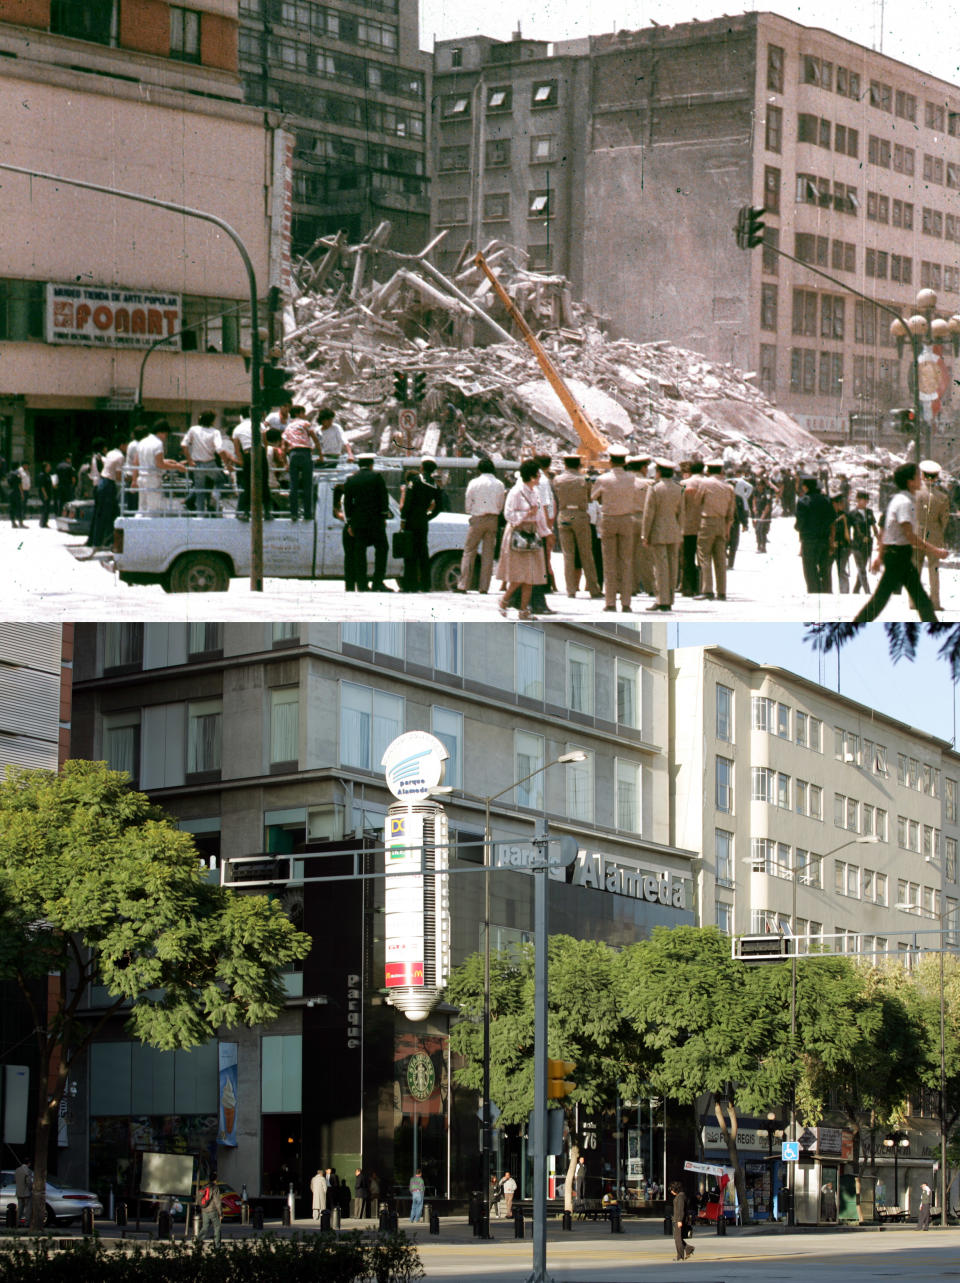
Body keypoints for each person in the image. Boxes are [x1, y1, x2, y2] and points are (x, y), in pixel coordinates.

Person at [853, 462, 946, 624]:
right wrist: (935, 551)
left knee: (920, 599)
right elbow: (909, 535)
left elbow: (884, 531)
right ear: (910, 481)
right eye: (918, 477)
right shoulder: (905, 503)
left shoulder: (901, 499)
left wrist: (880, 556)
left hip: (897, 554)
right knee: (881, 600)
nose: (921, 480)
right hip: (898, 556)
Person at [497, 458, 549, 619]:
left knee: (531, 576)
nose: (540, 478)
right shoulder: (516, 492)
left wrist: (545, 532)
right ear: (532, 476)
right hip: (519, 535)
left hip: (532, 535)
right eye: (538, 475)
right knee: (520, 575)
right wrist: (526, 514)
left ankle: (524, 609)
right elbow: (508, 514)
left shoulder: (535, 492)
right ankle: (504, 600)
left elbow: (539, 515)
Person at [591, 449, 640, 613]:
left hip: (609, 519)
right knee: (626, 561)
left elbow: (592, 496)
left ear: (610, 461)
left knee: (609, 562)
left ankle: (610, 602)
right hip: (627, 519)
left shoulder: (603, 479)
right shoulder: (632, 478)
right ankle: (626, 603)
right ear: (624, 461)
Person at [554, 454, 602, 599]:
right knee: (586, 553)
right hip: (580, 515)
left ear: (565, 464)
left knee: (568, 555)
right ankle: (593, 588)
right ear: (578, 464)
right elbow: (590, 497)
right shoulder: (585, 479)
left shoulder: (558, 479)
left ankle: (571, 589)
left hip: (564, 515)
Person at [342, 454, 393, 592]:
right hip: (375, 522)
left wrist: (350, 523)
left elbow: (347, 504)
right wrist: (383, 517)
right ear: (371, 464)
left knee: (360, 553)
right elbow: (384, 499)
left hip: (358, 522)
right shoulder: (376, 477)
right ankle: (378, 581)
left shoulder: (351, 480)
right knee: (382, 549)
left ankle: (362, 584)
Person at [456, 457, 506, 594]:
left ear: (479, 469)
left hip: (477, 518)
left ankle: (463, 584)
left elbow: (468, 500)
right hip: (493, 519)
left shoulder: (474, 482)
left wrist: (471, 511)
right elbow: (501, 504)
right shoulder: (500, 484)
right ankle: (484, 587)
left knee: (469, 551)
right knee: (488, 554)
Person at [641, 459, 684, 612]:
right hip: (674, 531)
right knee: (673, 567)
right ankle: (670, 599)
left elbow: (648, 514)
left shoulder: (654, 489)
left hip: (658, 532)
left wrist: (645, 534)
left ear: (658, 472)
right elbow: (681, 513)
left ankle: (661, 599)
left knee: (660, 567)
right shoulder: (679, 489)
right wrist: (681, 532)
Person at [695, 461, 735, 601]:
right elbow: (731, 511)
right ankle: (722, 591)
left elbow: (697, 502)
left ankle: (707, 590)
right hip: (722, 522)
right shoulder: (728, 487)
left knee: (704, 556)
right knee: (720, 558)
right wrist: (727, 529)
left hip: (707, 521)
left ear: (708, 470)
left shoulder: (705, 484)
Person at [399, 458, 439, 592]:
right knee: (423, 552)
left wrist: (403, 519)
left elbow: (407, 503)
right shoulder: (434, 484)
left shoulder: (415, 481)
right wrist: (428, 516)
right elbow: (439, 507)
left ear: (422, 467)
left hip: (411, 519)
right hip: (423, 520)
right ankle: (425, 584)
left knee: (409, 552)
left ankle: (410, 585)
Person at [181, 411, 233, 514]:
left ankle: (200, 515)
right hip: (210, 463)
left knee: (200, 491)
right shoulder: (215, 432)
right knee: (220, 480)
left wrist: (190, 460)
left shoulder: (193, 429)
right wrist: (227, 464)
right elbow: (220, 449)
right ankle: (214, 494)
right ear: (212, 421)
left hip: (197, 464)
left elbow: (184, 445)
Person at [916, 460, 950, 610]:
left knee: (915, 567)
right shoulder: (943, 497)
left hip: (916, 534)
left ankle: (913, 601)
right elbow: (945, 520)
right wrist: (939, 532)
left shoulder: (914, 493)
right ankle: (935, 602)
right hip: (935, 536)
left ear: (922, 475)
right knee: (933, 569)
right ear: (936, 477)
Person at [134, 421, 186, 514]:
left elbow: (140, 461)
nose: (165, 438)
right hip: (152, 479)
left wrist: (167, 461)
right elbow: (160, 465)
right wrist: (177, 466)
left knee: (142, 508)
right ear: (162, 432)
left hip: (141, 478)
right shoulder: (158, 444)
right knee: (153, 510)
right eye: (166, 435)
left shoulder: (142, 442)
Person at [795, 475, 834, 593]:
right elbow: (832, 518)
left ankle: (814, 592)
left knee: (810, 569)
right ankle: (826, 592)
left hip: (808, 540)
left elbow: (800, 522)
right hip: (824, 540)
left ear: (805, 487)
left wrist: (797, 528)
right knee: (824, 569)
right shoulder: (826, 500)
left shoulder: (803, 501)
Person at [282, 405, 321, 521]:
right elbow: (314, 438)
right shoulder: (305, 423)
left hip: (293, 454)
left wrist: (285, 462)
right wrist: (320, 454)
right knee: (307, 484)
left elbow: (283, 446)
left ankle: (293, 513)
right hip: (305, 453)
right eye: (303, 413)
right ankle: (307, 513)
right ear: (299, 413)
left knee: (293, 485)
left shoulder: (288, 427)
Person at [88, 438, 127, 548]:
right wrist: (130, 479)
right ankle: (104, 542)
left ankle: (99, 542)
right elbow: (119, 477)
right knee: (110, 515)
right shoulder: (120, 457)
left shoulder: (110, 454)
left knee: (103, 514)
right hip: (109, 485)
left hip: (102, 483)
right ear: (122, 445)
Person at [680, 460, 704, 595]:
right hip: (704, 525)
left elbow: (680, 506)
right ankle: (702, 586)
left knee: (687, 557)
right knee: (703, 558)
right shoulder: (707, 483)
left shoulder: (684, 484)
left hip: (687, 526)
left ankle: (687, 587)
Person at [848, 491, 878, 594]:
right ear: (858, 500)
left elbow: (874, 527)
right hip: (857, 544)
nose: (865, 502)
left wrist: (879, 539)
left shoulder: (869, 512)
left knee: (863, 568)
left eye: (866, 500)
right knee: (861, 569)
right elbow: (848, 529)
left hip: (867, 544)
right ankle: (867, 592)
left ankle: (855, 591)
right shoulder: (852, 514)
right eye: (863, 500)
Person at [669, 1180, 694, 1262]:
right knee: (678, 1238)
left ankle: (680, 1256)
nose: (671, 1191)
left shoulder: (680, 1197)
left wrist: (679, 1220)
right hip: (678, 1219)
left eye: (672, 1189)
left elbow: (681, 1210)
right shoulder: (680, 1196)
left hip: (679, 1220)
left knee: (678, 1239)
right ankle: (689, 1249)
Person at [197, 1174, 223, 1246]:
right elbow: (217, 1201)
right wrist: (220, 1213)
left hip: (204, 1210)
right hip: (213, 1210)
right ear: (215, 1179)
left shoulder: (204, 1186)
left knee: (205, 1226)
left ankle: (198, 1241)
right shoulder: (215, 1188)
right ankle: (217, 1244)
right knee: (217, 1226)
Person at [6, 461, 26, 528]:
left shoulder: (9, 474)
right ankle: (20, 523)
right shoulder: (17, 474)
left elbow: (8, 483)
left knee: (12, 508)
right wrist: (22, 493)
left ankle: (13, 523)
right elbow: (19, 484)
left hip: (10, 492)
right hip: (16, 492)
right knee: (19, 507)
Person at [37, 461, 55, 529]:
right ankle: (43, 522)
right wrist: (45, 495)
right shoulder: (42, 475)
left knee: (47, 508)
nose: (49, 467)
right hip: (44, 493)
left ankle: (45, 522)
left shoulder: (48, 475)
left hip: (49, 493)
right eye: (48, 466)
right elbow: (42, 486)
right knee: (45, 508)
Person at [14, 1159, 32, 1226]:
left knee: (20, 1208)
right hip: (26, 1192)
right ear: (29, 1163)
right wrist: (31, 1188)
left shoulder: (17, 1170)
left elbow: (15, 1180)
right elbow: (29, 1182)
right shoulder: (28, 1170)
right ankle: (27, 1223)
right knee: (28, 1208)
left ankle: (17, 1222)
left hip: (19, 1192)